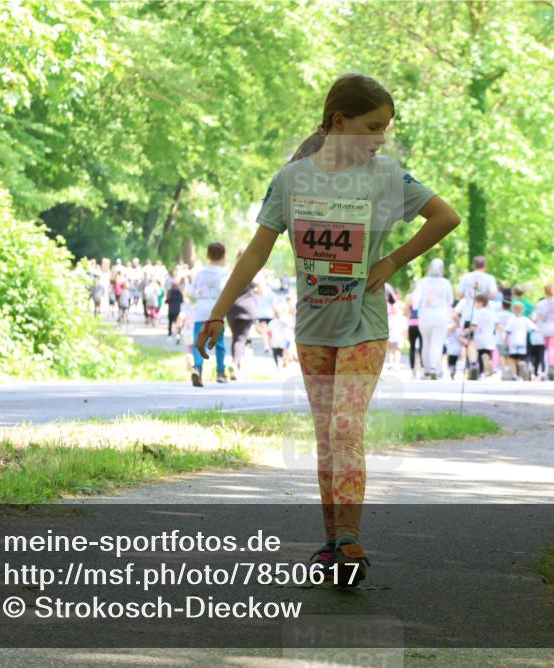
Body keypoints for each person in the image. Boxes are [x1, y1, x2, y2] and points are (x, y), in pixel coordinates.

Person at [195, 72, 460, 586]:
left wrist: (391, 263)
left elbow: (443, 217)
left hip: (365, 324)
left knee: (345, 429)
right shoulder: (293, 180)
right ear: (340, 122)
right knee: (324, 438)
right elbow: (256, 251)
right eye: (373, 126)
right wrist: (217, 310)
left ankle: (353, 540)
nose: (382, 137)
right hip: (313, 327)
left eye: (386, 128)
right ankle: (334, 541)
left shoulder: (387, 176)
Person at [188, 242, 230, 387]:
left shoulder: (200, 273)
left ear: (207, 255)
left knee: (199, 340)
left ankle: (197, 369)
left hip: (201, 310)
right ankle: (220, 372)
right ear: (224, 257)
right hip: (216, 312)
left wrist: (199, 297)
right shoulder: (224, 273)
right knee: (219, 343)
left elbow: (191, 292)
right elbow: (226, 292)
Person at [411, 258, 454, 379]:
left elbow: (415, 300)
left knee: (426, 342)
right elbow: (450, 301)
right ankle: (434, 368)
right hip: (441, 315)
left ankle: (426, 370)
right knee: (437, 342)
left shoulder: (422, 282)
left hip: (425, 315)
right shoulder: (446, 283)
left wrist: (416, 308)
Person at [227, 250, 258, 381]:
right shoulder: (254, 271)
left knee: (236, 337)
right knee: (241, 338)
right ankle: (235, 363)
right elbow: (262, 290)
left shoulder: (231, 271)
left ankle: (236, 364)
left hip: (232, 309)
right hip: (247, 308)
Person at [456, 255, 499, 329]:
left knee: (466, 337)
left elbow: (459, 294)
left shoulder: (465, 277)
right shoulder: (490, 278)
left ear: (474, 265)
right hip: (483, 314)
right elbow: (494, 294)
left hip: (468, 312)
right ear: (485, 265)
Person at [468, 293, 500, 379]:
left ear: (481, 303)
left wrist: (467, 330)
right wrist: (501, 335)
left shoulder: (477, 313)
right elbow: (498, 325)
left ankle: (482, 372)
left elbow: (474, 326)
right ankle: (488, 364)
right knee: (488, 353)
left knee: (480, 354)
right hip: (490, 336)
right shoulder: (492, 313)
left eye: (476, 302)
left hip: (479, 336)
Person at [533, 284, 554, 379]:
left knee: (547, 348)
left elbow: (538, 317)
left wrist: (536, 324)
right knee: (553, 348)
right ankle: (552, 365)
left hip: (545, 327)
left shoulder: (542, 303)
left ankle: (547, 368)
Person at [504, 301, 537, 380]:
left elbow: (507, 332)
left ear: (513, 310)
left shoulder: (511, 320)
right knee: (521, 358)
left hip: (513, 343)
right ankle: (522, 366)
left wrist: (505, 342)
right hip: (522, 343)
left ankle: (515, 375)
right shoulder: (525, 320)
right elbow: (534, 328)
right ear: (523, 310)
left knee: (512, 359)